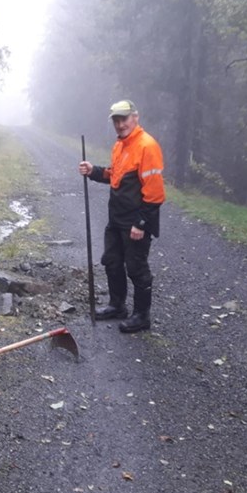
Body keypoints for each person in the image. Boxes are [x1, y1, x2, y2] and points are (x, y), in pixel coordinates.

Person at [78, 100, 165, 333]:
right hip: (116, 218)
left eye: (124, 119)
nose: (120, 124)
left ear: (135, 117)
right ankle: (117, 306)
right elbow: (115, 175)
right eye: (116, 120)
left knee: (136, 268)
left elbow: (155, 193)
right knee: (112, 261)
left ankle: (141, 316)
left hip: (135, 221)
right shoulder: (121, 145)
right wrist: (93, 171)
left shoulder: (147, 146)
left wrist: (141, 223)